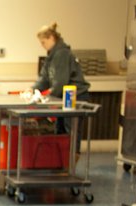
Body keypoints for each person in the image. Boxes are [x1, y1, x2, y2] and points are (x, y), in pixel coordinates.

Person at [31, 22, 91, 156]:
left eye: (43, 42)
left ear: (51, 38)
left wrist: (46, 97)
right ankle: (61, 159)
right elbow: (44, 77)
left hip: (75, 96)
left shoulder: (62, 54)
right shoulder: (51, 56)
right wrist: (33, 89)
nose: (42, 45)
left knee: (71, 131)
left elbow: (60, 82)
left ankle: (71, 160)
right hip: (63, 97)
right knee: (61, 129)